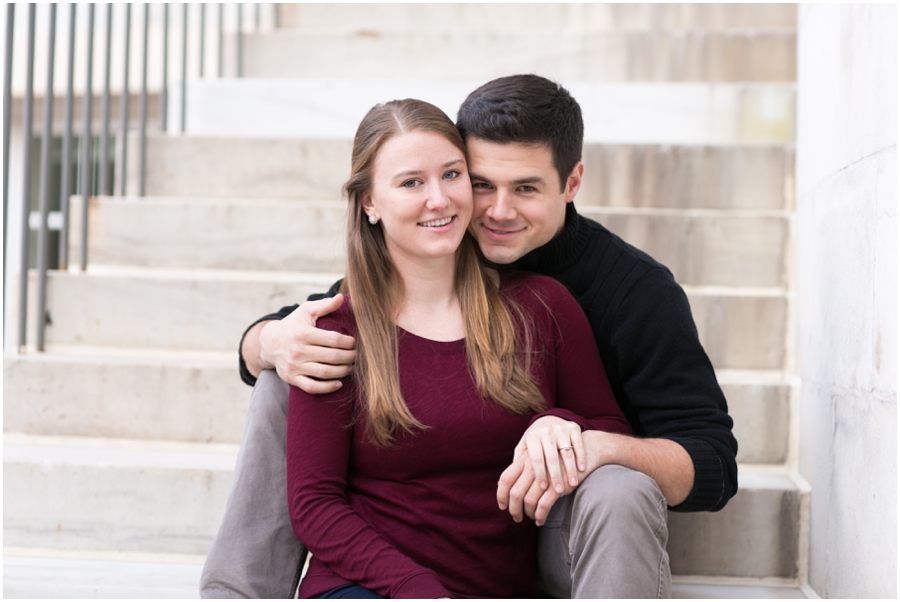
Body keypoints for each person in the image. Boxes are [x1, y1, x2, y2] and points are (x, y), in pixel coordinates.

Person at [200, 75, 738, 599]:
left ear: (571, 184)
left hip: (559, 519)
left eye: (525, 188)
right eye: (481, 184)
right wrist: (266, 341)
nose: (496, 212)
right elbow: (331, 321)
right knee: (297, 367)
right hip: (379, 574)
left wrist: (583, 436)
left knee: (622, 482)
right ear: (373, 203)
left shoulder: (618, 293)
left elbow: (711, 459)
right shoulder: (437, 241)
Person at [284, 98, 630, 598]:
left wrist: (562, 421)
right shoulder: (335, 329)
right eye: (410, 183)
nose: (439, 199)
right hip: (366, 586)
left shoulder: (540, 306)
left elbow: (612, 431)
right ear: (370, 204)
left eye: (452, 174)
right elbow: (314, 503)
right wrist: (417, 589)